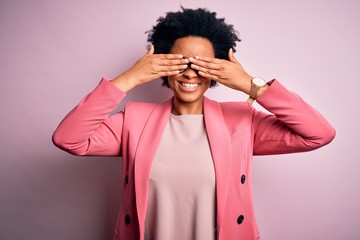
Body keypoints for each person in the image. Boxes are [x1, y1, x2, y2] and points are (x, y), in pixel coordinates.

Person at [52, 7, 335, 240]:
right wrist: (130, 78)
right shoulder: (134, 120)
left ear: (217, 70)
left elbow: (318, 134)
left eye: (202, 64)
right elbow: (68, 139)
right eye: (182, 62)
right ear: (164, 64)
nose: (191, 73)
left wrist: (251, 85)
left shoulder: (240, 121)